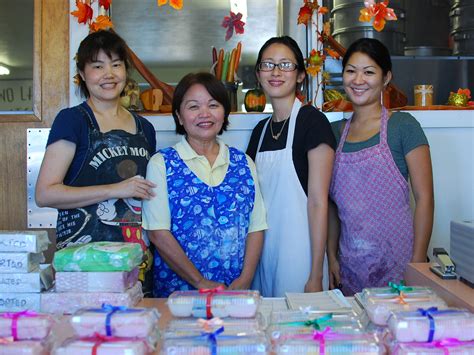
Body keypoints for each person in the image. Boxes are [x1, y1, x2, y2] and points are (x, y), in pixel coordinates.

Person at [35, 30, 157, 294]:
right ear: (82, 73)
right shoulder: (73, 120)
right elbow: (45, 193)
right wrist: (116, 189)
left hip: (135, 258)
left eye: (116, 65)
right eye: (98, 66)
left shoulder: (144, 128)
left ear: (126, 71)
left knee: (134, 330)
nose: (109, 74)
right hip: (83, 261)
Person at [142, 72, 267, 298]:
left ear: (224, 112)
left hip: (235, 291)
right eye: (193, 107)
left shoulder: (243, 163)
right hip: (179, 295)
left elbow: (256, 227)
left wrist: (245, 278)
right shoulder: (162, 164)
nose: (204, 114)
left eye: (213, 104)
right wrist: (200, 281)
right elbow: (158, 233)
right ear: (179, 116)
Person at [328, 38, 434, 296]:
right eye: (351, 71)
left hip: (399, 265)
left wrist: (418, 262)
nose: (358, 80)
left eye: (369, 72)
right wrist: (331, 257)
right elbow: (330, 205)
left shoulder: (403, 127)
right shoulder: (333, 133)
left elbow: (425, 198)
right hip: (350, 268)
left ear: (386, 78)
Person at [246, 36, 336, 297]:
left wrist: (316, 273)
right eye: (268, 64)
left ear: (299, 76)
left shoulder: (313, 122)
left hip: (302, 256)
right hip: (264, 252)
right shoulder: (260, 131)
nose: (275, 72)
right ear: (258, 74)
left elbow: (319, 202)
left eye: (285, 65)